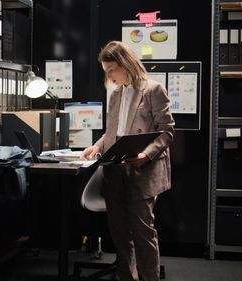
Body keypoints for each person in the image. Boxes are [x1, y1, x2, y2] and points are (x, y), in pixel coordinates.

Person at [80, 41, 175, 281]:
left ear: (125, 64)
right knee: (120, 234)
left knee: (143, 233)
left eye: (111, 69)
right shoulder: (115, 94)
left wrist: (146, 154)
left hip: (142, 170)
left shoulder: (153, 89)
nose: (109, 76)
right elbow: (112, 132)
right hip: (116, 171)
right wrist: (97, 146)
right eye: (106, 71)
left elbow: (167, 131)